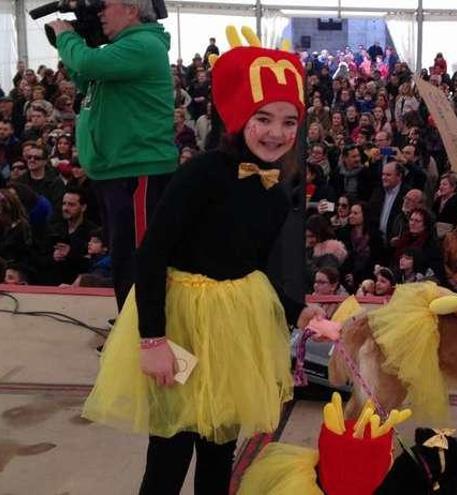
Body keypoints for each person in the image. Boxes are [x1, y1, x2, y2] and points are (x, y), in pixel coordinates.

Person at [80, 32, 323, 494]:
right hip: (181, 324)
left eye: (289, 121)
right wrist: (153, 338)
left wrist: (296, 309)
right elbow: (150, 254)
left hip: (234, 331)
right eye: (263, 118)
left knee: (219, 447)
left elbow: (255, 268)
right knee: (171, 450)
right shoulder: (200, 175)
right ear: (236, 116)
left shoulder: (276, 188)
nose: (277, 132)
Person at [49, 2, 179, 310]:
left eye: (104, 6)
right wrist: (79, 43)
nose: (100, 14)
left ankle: (144, 332)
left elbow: (88, 64)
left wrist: (67, 37)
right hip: (116, 172)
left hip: (137, 169)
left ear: (131, 9)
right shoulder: (122, 50)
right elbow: (86, 76)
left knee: (137, 258)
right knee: (123, 256)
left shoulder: (143, 44)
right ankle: (131, 327)